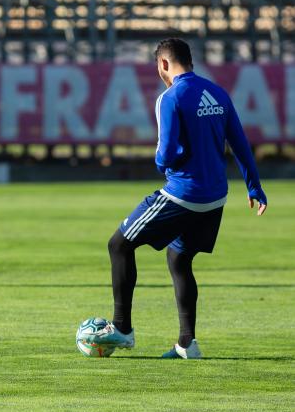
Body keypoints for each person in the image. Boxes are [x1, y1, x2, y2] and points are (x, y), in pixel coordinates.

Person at [83, 38, 268, 359]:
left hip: (185, 193)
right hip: (216, 198)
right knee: (179, 259)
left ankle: (122, 329)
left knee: (119, 244)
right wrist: (254, 186)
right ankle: (187, 344)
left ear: (164, 65)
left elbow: (166, 153)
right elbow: (239, 142)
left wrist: (160, 162)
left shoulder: (170, 97)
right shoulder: (219, 94)